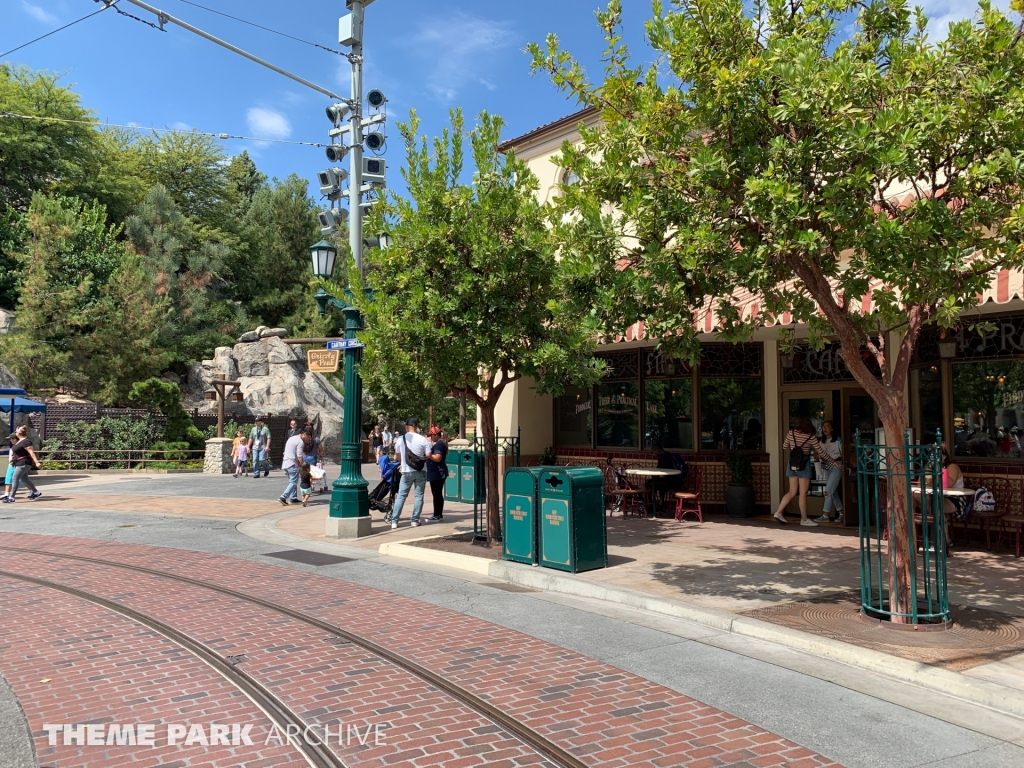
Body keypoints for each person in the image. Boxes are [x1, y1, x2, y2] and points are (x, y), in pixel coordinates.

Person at [775, 417, 832, 526]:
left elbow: (784, 446)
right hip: (804, 464)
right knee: (803, 493)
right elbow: (821, 452)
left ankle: (778, 512)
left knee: (791, 491)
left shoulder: (791, 433)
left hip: (792, 464)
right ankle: (804, 519)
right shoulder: (811, 437)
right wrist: (833, 461)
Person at [391, 417, 431, 528]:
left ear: (406, 427)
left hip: (406, 470)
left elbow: (397, 456)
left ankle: (394, 521)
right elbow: (428, 455)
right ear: (416, 427)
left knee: (401, 496)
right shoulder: (423, 439)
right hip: (421, 470)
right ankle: (415, 520)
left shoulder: (400, 439)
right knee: (419, 496)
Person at [814, 420, 844, 524]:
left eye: (827, 426)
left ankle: (825, 514)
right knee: (833, 491)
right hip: (826, 466)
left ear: (832, 428)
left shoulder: (838, 440)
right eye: (823, 427)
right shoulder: (821, 441)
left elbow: (843, 453)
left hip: (836, 466)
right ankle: (841, 513)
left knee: (828, 491)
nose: (825, 428)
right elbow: (817, 454)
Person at [3, 426, 42, 503]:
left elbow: (31, 452)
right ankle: (36, 492)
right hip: (19, 463)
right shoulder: (20, 441)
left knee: (15, 478)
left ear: (19, 433)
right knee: (25, 479)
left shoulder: (26, 441)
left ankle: (11, 497)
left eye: (16, 432)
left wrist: (37, 462)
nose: (15, 433)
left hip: (23, 463)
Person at [425, 426, 449, 522]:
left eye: (431, 435)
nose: (430, 437)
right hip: (437, 472)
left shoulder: (439, 444)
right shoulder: (440, 443)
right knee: (438, 493)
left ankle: (437, 515)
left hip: (438, 473)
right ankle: (438, 514)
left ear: (435, 435)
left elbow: (438, 458)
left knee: (436, 493)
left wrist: (429, 455)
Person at [279, 427, 305, 506]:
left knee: (292, 481)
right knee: (293, 482)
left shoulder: (291, 438)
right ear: (304, 434)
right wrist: (303, 464)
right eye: (308, 437)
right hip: (292, 464)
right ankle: (283, 497)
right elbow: (299, 456)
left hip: (285, 463)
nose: (308, 439)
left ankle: (293, 498)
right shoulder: (300, 442)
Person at [1, 433, 19, 501]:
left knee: (23, 480)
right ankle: (6, 493)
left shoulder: (19, 447)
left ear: (15, 439)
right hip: (11, 465)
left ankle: (33, 491)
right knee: (8, 479)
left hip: (17, 465)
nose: (10, 440)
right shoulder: (13, 447)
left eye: (11, 439)